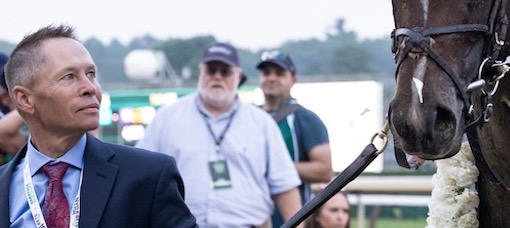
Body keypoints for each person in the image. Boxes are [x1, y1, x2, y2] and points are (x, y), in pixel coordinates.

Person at [0, 24, 197, 226]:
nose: (90, 88)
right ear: (24, 99)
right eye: (69, 76)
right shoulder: (5, 187)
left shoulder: (148, 177)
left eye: (91, 74)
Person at [138, 40, 302, 228]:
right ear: (201, 72)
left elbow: (285, 187)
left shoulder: (261, 123)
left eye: (225, 72)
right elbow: (143, 176)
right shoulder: (167, 118)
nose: (217, 77)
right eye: (211, 70)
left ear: (238, 76)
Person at [256, 49, 333, 227]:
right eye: (266, 73)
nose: (272, 78)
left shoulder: (306, 119)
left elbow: (324, 170)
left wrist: (272, 168)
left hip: (290, 219)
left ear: (293, 79)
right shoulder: (248, 117)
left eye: (279, 73)